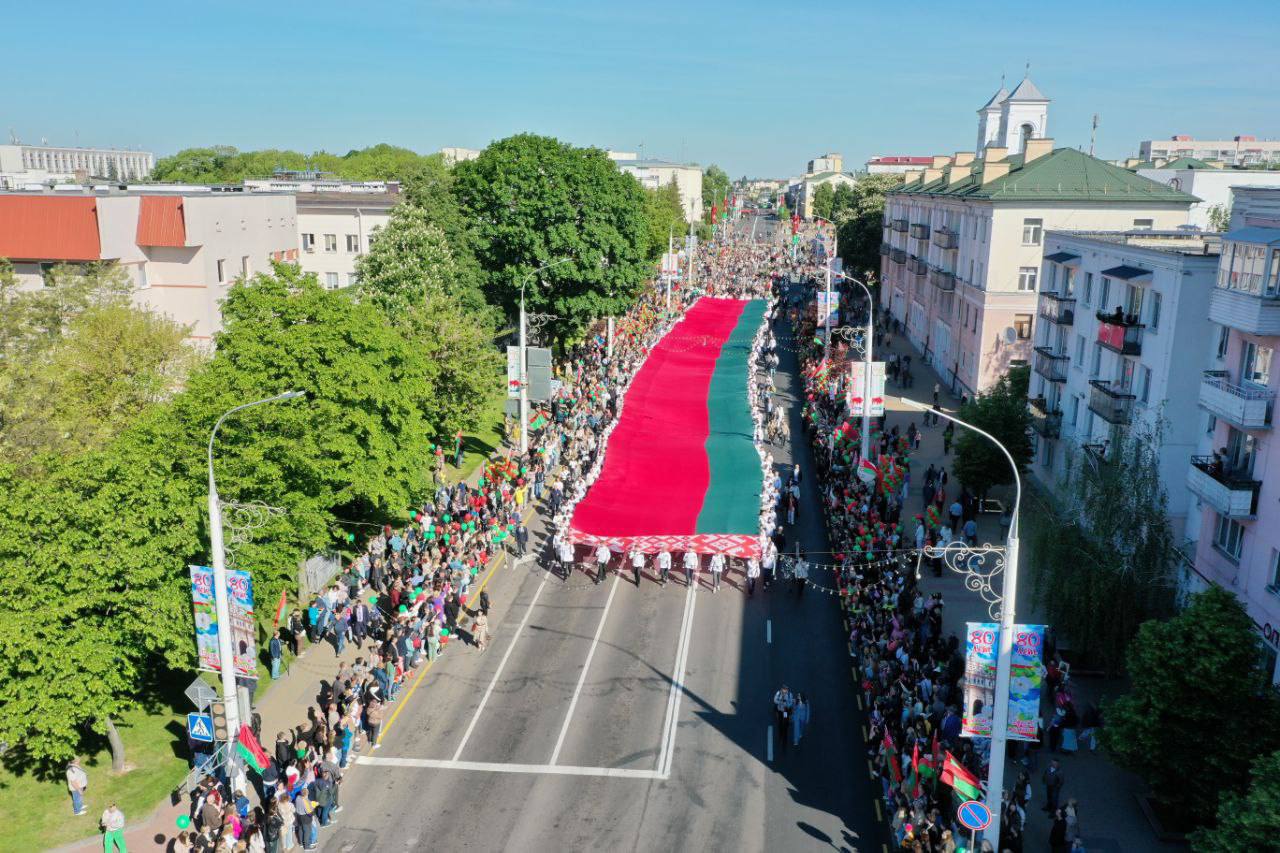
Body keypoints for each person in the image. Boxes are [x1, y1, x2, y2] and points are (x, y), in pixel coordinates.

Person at [773, 685, 794, 751]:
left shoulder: (790, 695)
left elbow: (791, 703)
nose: (785, 692)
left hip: (785, 711)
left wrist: (786, 704)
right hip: (780, 711)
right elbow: (775, 700)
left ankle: (784, 740)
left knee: (785, 724)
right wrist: (780, 701)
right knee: (780, 724)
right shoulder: (778, 693)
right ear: (782, 689)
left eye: (786, 690)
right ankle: (780, 736)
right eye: (783, 690)